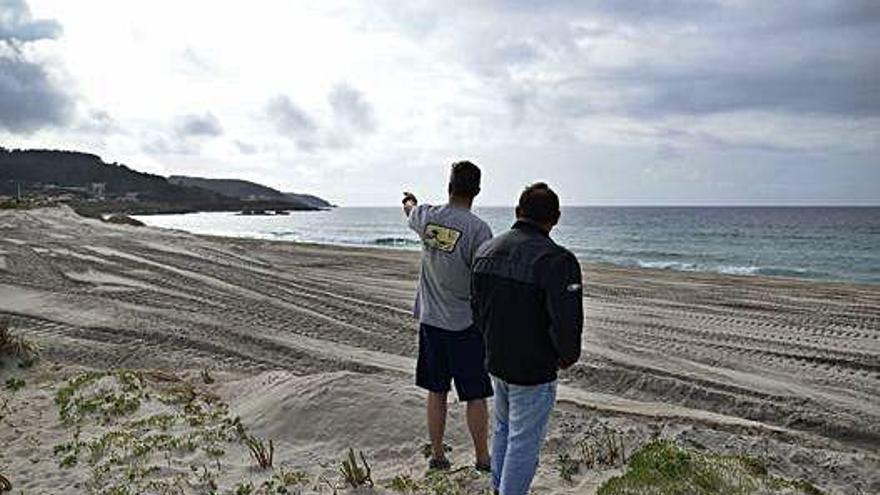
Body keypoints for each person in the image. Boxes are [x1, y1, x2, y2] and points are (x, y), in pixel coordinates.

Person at [471, 182, 583, 495]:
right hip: (533, 368)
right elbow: (567, 322)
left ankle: (498, 487)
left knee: (505, 430)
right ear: (556, 218)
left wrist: (491, 343)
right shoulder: (558, 261)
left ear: (518, 212)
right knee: (523, 440)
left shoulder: (486, 251)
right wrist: (566, 356)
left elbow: (477, 309)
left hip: (498, 359)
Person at [402, 161, 494, 472]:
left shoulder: (427, 216)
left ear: (449, 186)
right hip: (465, 325)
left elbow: (410, 211)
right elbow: (483, 280)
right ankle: (483, 458)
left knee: (437, 390)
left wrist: (409, 200)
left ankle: (438, 454)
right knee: (476, 395)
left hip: (431, 321)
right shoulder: (479, 230)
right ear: (477, 191)